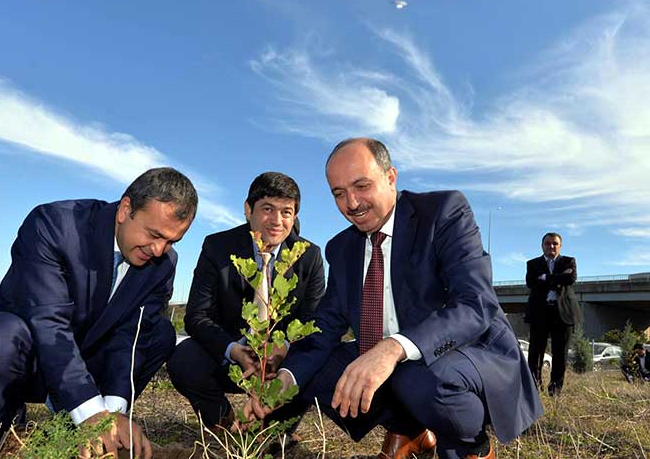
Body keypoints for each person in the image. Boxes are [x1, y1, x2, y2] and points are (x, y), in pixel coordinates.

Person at [247, 138, 542, 459]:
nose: (352, 203)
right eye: (339, 193)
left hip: (465, 353)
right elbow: (325, 326)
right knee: (311, 369)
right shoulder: (341, 248)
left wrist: (393, 348)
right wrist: (285, 380)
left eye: (362, 186)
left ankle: (470, 446)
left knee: (418, 377)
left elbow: (475, 303)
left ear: (390, 177)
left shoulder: (443, 211)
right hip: (393, 360)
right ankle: (409, 430)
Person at [0, 167, 198, 457]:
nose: (159, 250)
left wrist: (112, 414)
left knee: (160, 334)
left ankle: (81, 438)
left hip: (81, 357)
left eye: (171, 241)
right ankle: (8, 439)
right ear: (126, 210)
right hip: (18, 353)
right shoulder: (55, 225)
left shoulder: (163, 265)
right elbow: (47, 324)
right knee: (0, 337)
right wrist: (90, 410)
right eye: (154, 234)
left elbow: (131, 338)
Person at [167, 172, 325, 429]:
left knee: (315, 362)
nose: (277, 221)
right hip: (231, 355)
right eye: (267, 209)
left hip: (282, 363)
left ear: (295, 216)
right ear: (248, 210)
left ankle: (276, 432)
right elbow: (197, 316)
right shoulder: (217, 247)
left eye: (286, 212)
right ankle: (224, 424)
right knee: (184, 358)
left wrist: (283, 348)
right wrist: (234, 350)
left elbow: (313, 320)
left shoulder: (309, 256)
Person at [525, 233, 581, 396]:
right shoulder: (532, 264)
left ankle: (555, 390)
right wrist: (558, 278)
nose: (551, 246)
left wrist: (545, 277)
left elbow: (570, 279)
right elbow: (531, 282)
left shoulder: (569, 261)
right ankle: (535, 388)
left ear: (560, 246)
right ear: (542, 246)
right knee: (535, 353)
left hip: (562, 314)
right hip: (539, 313)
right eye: (548, 243)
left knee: (560, 354)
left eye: (555, 244)